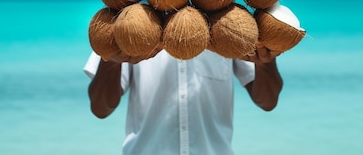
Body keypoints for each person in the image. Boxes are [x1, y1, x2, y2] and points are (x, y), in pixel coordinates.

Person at [84, 45, 283, 155]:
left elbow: (267, 101)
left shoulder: (230, 23)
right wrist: (110, 59)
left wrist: (266, 60)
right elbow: (101, 108)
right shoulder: (129, 21)